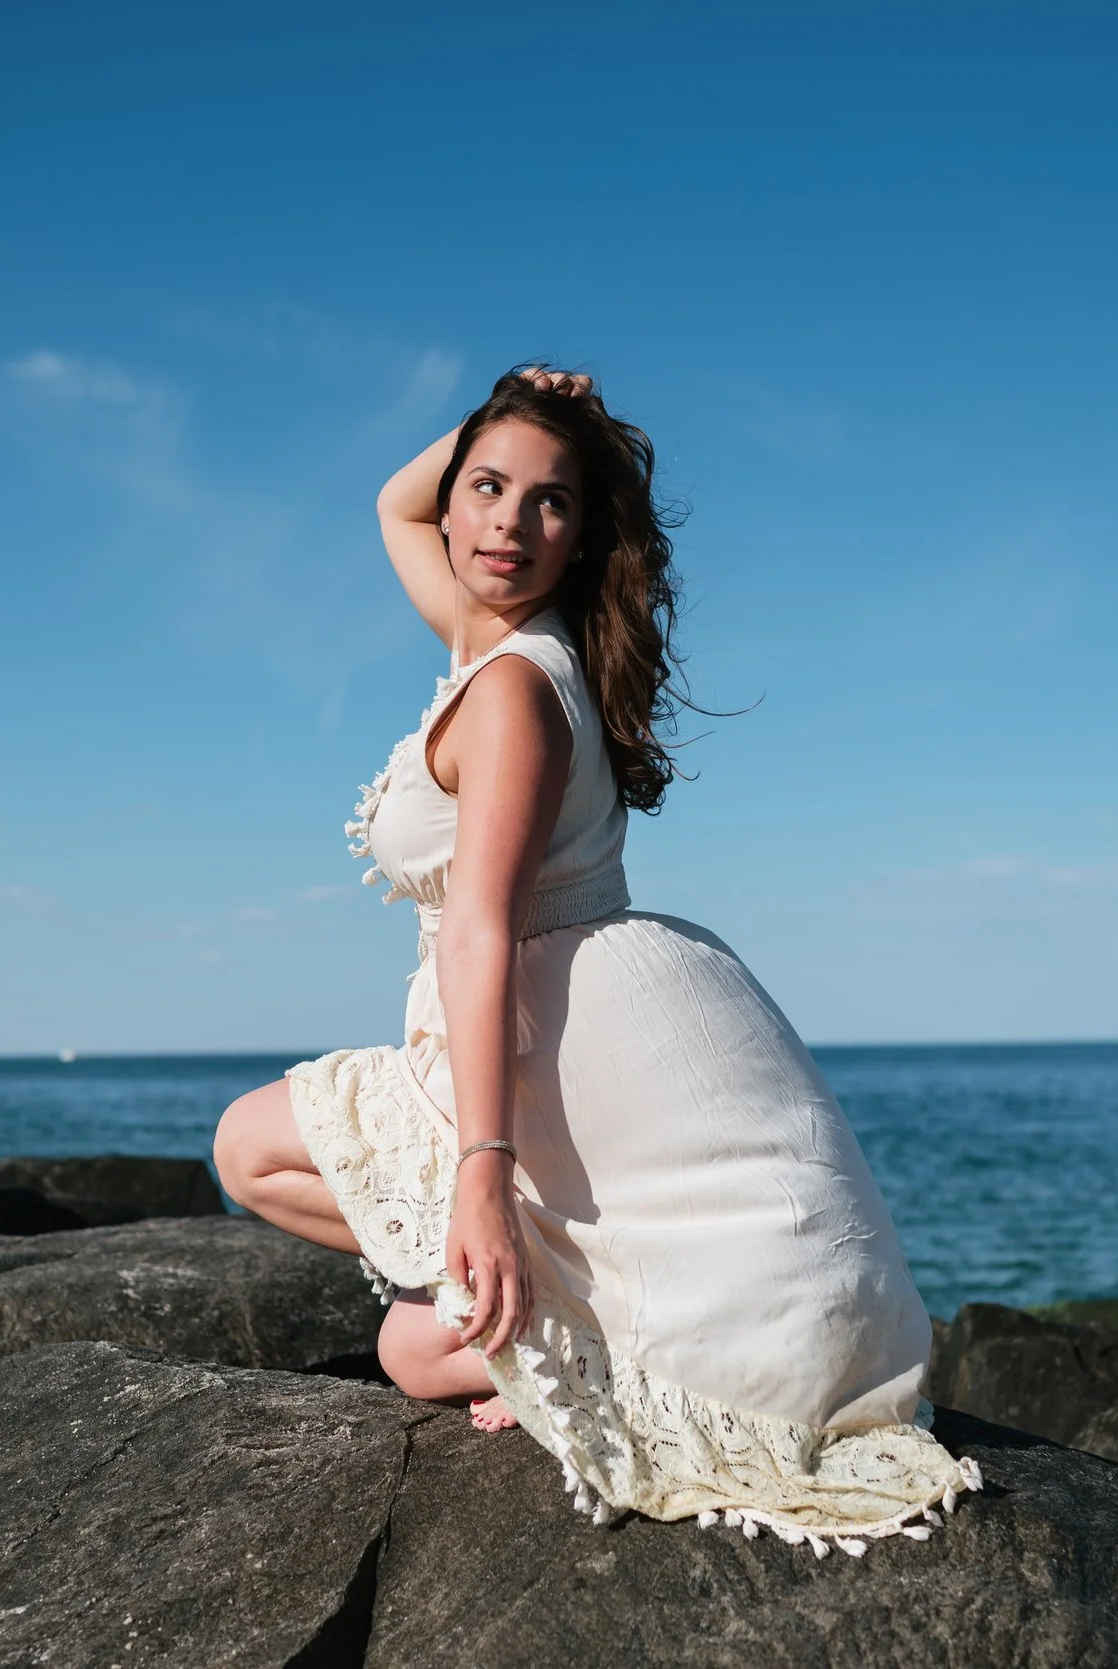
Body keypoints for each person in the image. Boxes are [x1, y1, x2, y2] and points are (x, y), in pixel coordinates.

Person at [214, 366, 977, 1551]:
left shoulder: (514, 685)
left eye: (551, 503)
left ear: (585, 536)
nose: (509, 524)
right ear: (458, 500)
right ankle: (562, 1324)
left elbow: (479, 926)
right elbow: (391, 506)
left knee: (261, 1169)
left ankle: (576, 1344)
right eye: (489, 489)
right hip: (606, 1013)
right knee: (417, 1339)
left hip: (556, 1018)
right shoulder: (497, 635)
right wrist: (510, 393)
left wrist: (479, 1169)